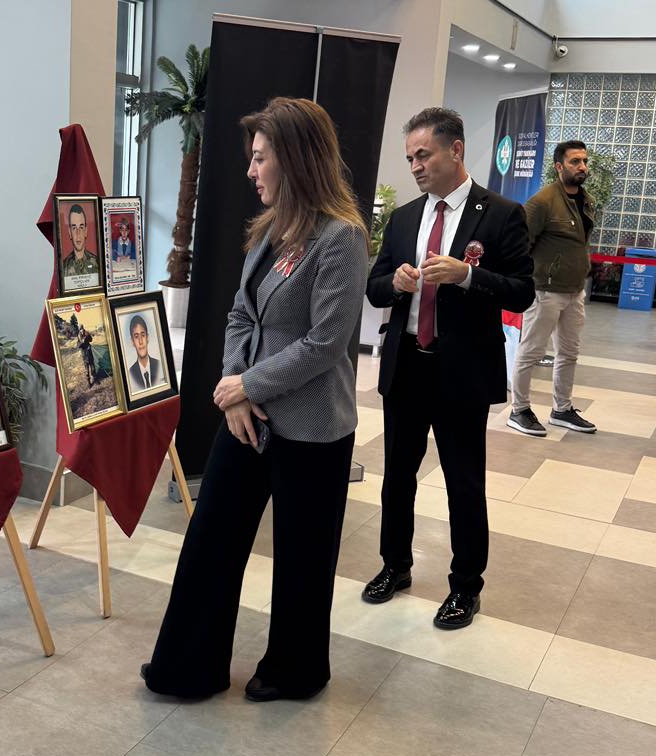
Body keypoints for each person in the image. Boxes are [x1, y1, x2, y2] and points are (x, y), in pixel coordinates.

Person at [142, 97, 368, 702]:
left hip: (313, 427)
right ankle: (188, 667)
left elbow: (326, 341)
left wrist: (249, 384)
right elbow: (241, 314)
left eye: (261, 157)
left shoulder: (341, 238)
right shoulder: (270, 230)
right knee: (211, 541)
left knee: (303, 557)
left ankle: (297, 672)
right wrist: (235, 392)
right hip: (249, 419)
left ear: (295, 160)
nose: (251, 170)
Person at [364, 106, 534, 630]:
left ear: (455, 150)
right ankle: (395, 565)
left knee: (464, 483)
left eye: (424, 155)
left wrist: (467, 276)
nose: (415, 166)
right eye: (410, 158)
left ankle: (465, 587)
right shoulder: (404, 218)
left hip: (461, 371)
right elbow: (374, 288)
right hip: (407, 365)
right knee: (398, 477)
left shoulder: (501, 214)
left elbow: (522, 293)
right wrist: (395, 283)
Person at [508, 140, 596, 435]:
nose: (582, 166)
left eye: (584, 161)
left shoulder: (586, 200)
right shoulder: (542, 202)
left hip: (575, 291)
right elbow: (521, 246)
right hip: (544, 291)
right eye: (575, 161)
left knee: (569, 353)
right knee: (531, 352)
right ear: (559, 166)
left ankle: (562, 409)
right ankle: (519, 410)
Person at [61, 203, 100, 284]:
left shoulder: (98, 263)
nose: (78, 233)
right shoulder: (63, 267)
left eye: (81, 227)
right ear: (70, 232)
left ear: (86, 231)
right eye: (74, 228)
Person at [126, 314, 161, 392]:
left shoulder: (159, 365)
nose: (140, 341)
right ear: (132, 341)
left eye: (143, 335)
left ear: (147, 337)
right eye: (136, 337)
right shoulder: (130, 373)